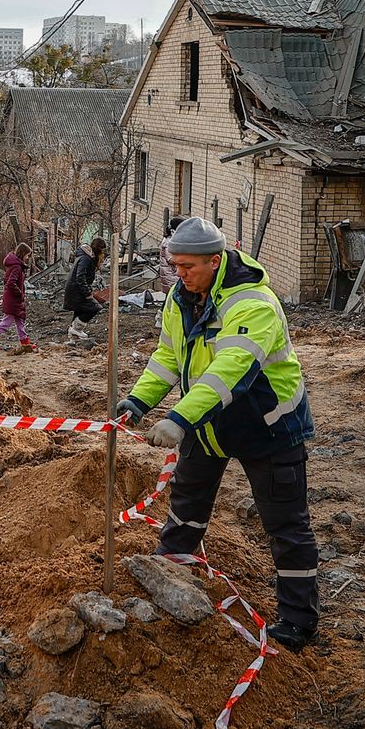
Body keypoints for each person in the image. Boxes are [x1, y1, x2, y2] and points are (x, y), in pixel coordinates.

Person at [116, 216, 319, 651]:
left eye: (186, 266)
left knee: (286, 527)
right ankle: (168, 578)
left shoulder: (253, 304)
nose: (177, 274)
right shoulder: (182, 296)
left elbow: (230, 371)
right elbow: (168, 356)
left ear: (215, 260)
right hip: (208, 426)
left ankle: (298, 622)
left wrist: (179, 419)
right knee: (185, 507)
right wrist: (139, 400)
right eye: (174, 265)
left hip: (269, 428)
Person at [0, 241, 35, 351]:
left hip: (13, 298)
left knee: (20, 322)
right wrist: (19, 293)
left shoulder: (13, 265)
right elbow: (11, 283)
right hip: (13, 299)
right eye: (27, 255)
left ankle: (25, 343)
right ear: (23, 254)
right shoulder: (17, 267)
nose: (27, 258)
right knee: (6, 322)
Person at [62, 237, 106, 340]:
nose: (103, 253)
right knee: (95, 308)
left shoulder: (85, 257)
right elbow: (80, 276)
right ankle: (76, 329)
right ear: (99, 249)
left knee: (80, 310)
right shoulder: (86, 258)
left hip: (75, 289)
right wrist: (87, 293)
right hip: (77, 290)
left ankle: (73, 334)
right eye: (103, 250)